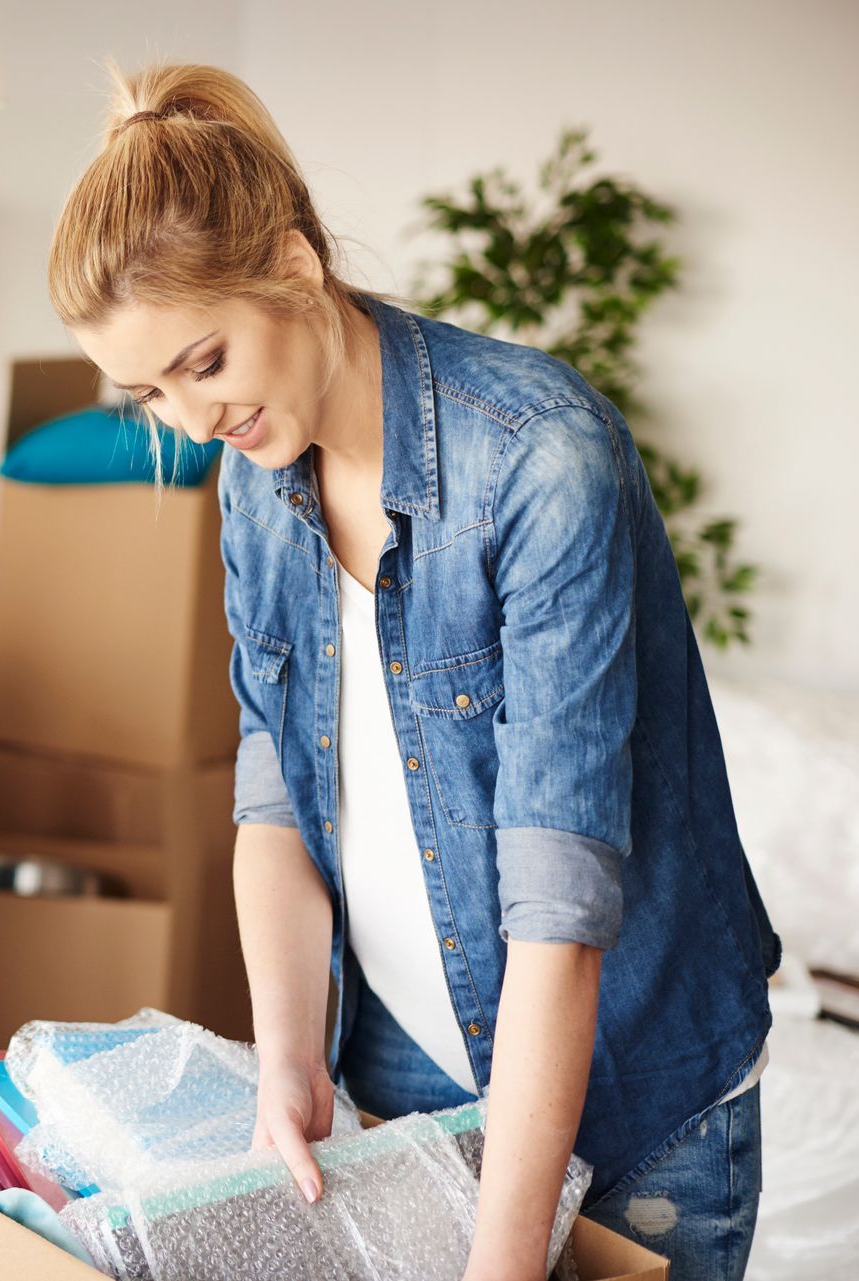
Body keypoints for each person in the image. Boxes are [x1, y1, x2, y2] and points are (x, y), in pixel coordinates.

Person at [47, 64, 776, 1280]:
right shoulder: (253, 477)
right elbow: (274, 788)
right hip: (404, 1075)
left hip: (636, 1093)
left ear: (289, 265)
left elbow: (558, 916)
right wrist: (289, 1059)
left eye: (203, 362)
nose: (187, 419)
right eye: (149, 393)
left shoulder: (542, 462)